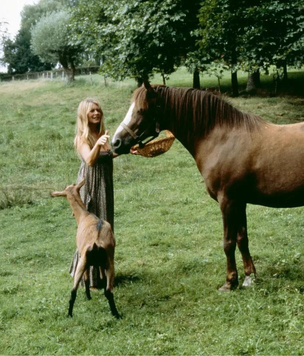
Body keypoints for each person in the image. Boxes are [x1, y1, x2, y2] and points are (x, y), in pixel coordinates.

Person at [69, 97, 117, 289]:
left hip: (105, 186)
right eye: (92, 111)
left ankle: (104, 276)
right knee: (90, 232)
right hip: (91, 186)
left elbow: (108, 156)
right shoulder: (81, 138)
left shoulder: (102, 135)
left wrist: (130, 150)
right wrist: (98, 144)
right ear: (84, 115)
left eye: (98, 110)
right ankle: (87, 278)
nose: (96, 113)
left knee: (105, 229)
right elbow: (90, 160)